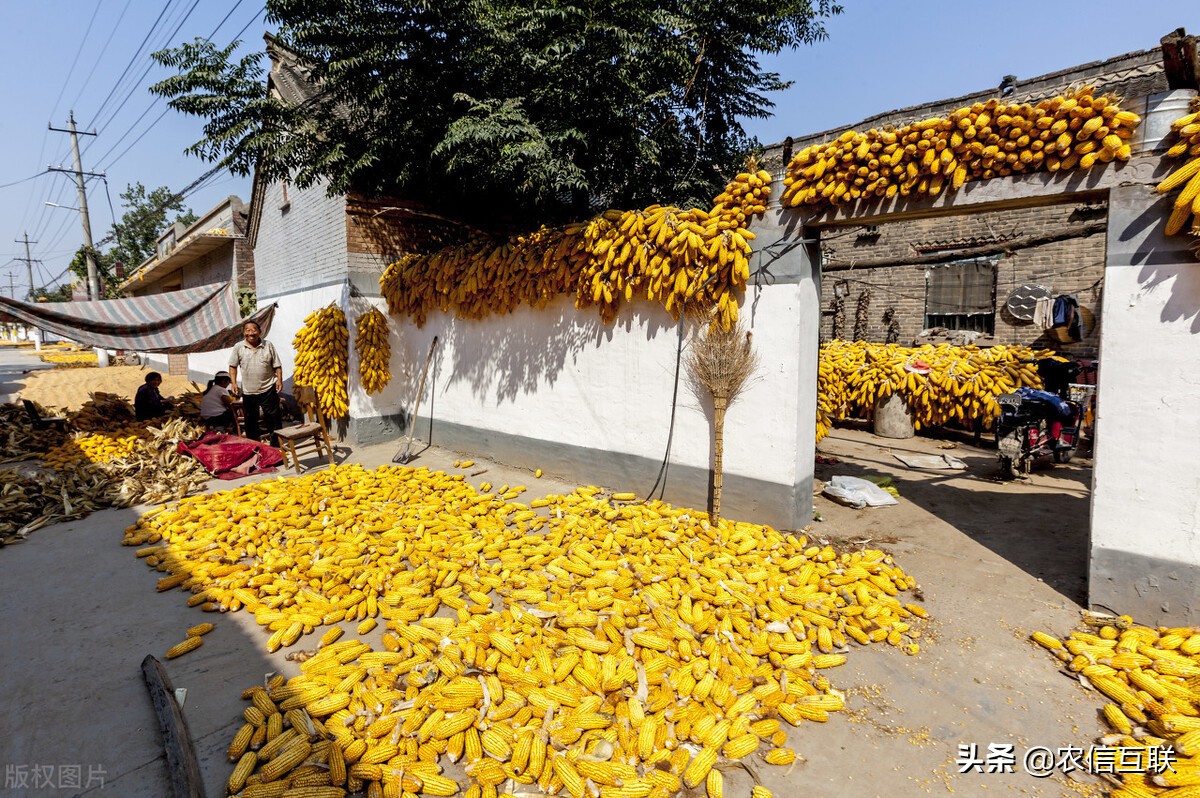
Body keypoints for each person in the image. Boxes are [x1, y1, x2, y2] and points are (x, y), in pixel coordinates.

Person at [228, 321, 283, 443]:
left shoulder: (268, 345)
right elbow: (232, 366)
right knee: (250, 420)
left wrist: (279, 380)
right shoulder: (238, 347)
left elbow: (277, 365)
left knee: (273, 418)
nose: (251, 332)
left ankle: (277, 446)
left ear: (260, 332)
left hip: (268, 388)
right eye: (247, 330)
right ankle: (254, 446)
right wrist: (234, 383)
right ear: (243, 333)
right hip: (249, 391)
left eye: (254, 329)